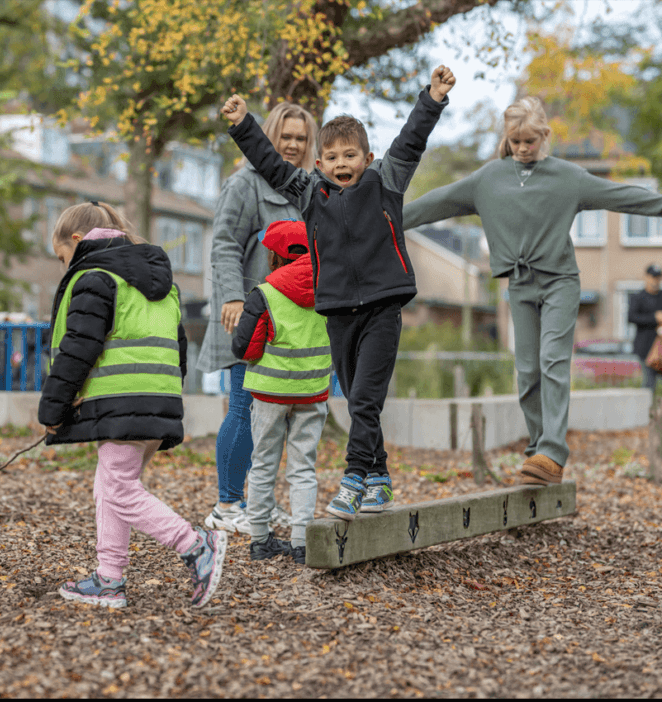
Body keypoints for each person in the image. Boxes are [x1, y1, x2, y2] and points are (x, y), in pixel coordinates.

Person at [222, 65, 455, 519]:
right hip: (338, 313)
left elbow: (411, 140)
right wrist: (243, 126)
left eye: (351, 156)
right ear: (319, 164)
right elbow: (271, 165)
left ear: (367, 159)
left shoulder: (386, 182)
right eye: (332, 157)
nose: (342, 164)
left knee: (366, 400)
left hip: (382, 308)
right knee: (354, 401)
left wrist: (433, 97)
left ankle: (352, 479)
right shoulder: (310, 194)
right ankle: (380, 478)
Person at [404, 95, 662, 485]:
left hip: (560, 281)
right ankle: (537, 448)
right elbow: (435, 203)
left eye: (530, 141)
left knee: (553, 362)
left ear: (544, 136)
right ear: (507, 138)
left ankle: (552, 453)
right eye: (516, 141)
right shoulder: (488, 178)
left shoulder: (568, 177)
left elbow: (625, 196)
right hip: (519, 285)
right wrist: (382, 219)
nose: (523, 149)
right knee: (525, 370)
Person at [38, 201, 227, 610]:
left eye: (61, 257)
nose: (62, 267)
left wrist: (53, 410)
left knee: (119, 488)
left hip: (120, 399)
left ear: (77, 241)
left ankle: (196, 546)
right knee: (110, 486)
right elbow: (179, 348)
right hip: (156, 400)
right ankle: (109, 578)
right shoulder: (161, 283)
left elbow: (77, 350)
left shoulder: (94, 277)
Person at [198, 101, 319, 535]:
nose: (292, 144)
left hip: (291, 328)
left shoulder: (308, 189)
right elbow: (225, 243)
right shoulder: (244, 184)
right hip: (248, 317)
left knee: (277, 419)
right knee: (244, 408)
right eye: (285, 136)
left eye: (301, 138)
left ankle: (260, 505)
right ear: (269, 136)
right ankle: (228, 505)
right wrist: (231, 297)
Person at [231, 220, 330, 565]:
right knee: (303, 466)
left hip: (270, 394)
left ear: (276, 257)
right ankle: (302, 542)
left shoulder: (264, 294)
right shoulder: (331, 293)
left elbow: (244, 349)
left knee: (263, 464)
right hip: (313, 392)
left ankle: (260, 539)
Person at [628, 264, 662, 390]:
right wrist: (654, 318)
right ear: (647, 277)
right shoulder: (638, 297)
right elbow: (631, 317)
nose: (656, 280)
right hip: (646, 349)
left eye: (658, 277)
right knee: (649, 384)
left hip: (661, 347)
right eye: (653, 277)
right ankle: (647, 409)